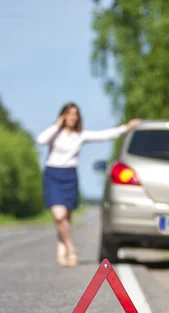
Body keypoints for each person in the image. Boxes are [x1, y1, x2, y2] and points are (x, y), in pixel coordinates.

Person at [36, 102, 142, 267]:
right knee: (59, 216)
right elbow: (41, 140)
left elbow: (105, 135)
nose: (72, 117)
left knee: (66, 218)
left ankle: (61, 250)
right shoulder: (55, 134)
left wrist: (125, 128)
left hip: (69, 175)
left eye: (75, 114)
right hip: (52, 174)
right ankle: (71, 247)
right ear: (63, 115)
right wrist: (56, 125)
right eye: (69, 113)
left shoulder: (81, 135)